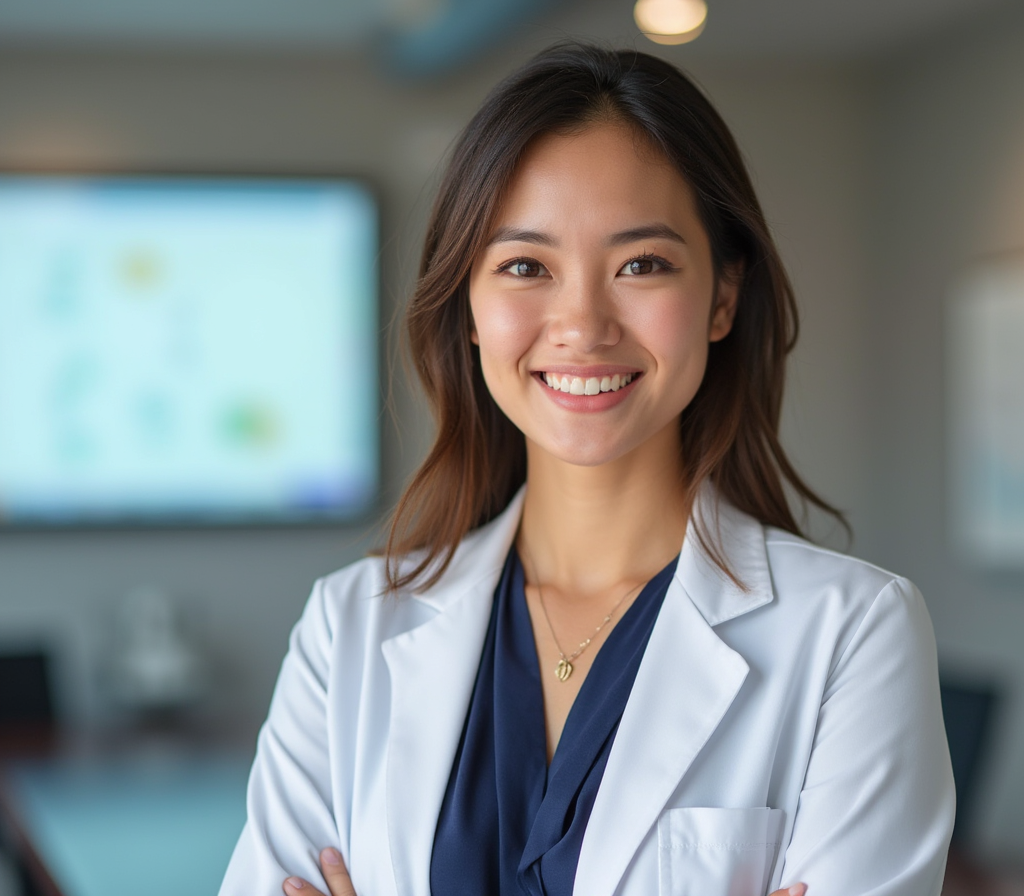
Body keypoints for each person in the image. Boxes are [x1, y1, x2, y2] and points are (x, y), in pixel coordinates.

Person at [219, 42, 954, 896]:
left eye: (642, 264)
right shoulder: (348, 628)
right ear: (467, 304)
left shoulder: (853, 636)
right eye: (526, 266)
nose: (582, 324)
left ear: (722, 297)